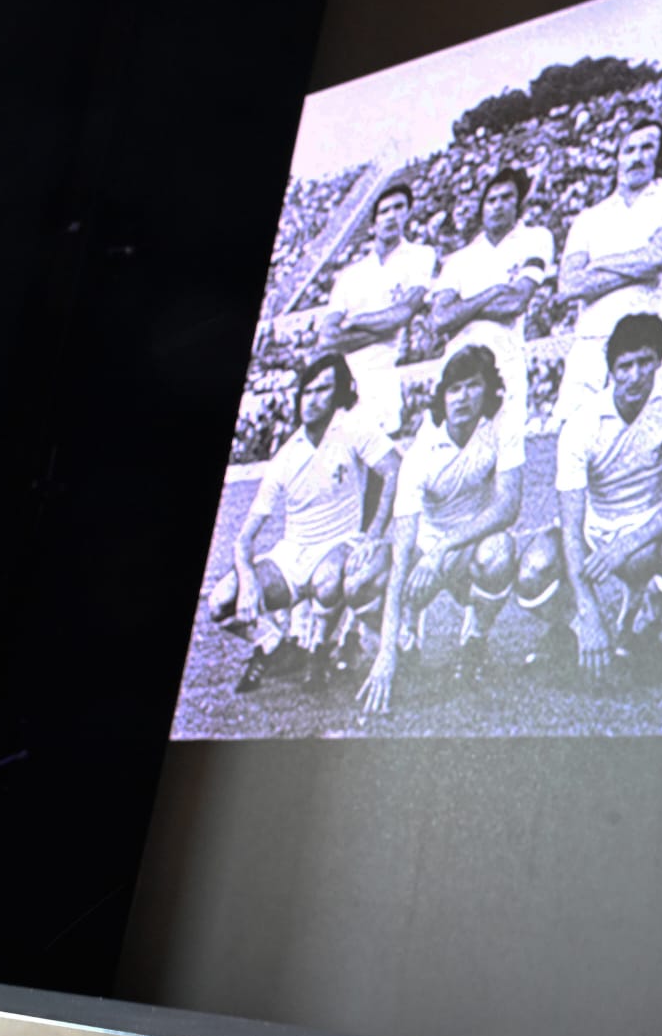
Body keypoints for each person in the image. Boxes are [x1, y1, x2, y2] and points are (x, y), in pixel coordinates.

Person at [516, 314, 662, 678]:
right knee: (532, 570)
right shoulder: (582, 425)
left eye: (645, 362)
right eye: (625, 366)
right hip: (594, 532)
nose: (635, 376)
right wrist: (588, 613)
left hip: (648, 531)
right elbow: (571, 526)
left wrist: (627, 544)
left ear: (660, 360)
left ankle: (637, 629)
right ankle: (572, 631)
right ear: (611, 369)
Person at [208, 353, 400, 693]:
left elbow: (394, 469)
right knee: (220, 601)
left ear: (339, 393)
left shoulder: (353, 430)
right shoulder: (286, 455)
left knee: (328, 580)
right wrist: (248, 581)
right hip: (292, 555)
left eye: (323, 390)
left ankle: (318, 650)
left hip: (339, 545)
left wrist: (372, 536)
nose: (312, 400)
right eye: (307, 391)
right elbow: (244, 539)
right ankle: (274, 645)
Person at [357, 345, 524, 713]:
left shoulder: (501, 428)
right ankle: (405, 637)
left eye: (473, 386)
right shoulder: (421, 454)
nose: (463, 398)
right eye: (454, 389)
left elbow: (507, 507)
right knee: (362, 581)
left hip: (471, 545)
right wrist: (385, 653)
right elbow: (402, 551)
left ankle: (473, 640)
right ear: (442, 397)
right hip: (424, 553)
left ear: (488, 389)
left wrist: (446, 546)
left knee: (500, 552)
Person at [554, 119, 662, 425]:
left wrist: (598, 265)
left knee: (652, 431)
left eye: (647, 148)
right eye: (629, 149)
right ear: (618, 156)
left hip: (646, 337)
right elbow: (569, 285)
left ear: (659, 155)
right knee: (573, 431)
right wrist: (638, 264)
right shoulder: (588, 218)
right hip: (591, 340)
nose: (637, 157)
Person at [430, 167, 554, 432]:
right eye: (491, 200)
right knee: (449, 449)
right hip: (458, 363)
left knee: (504, 447)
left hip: (504, 361)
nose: (498, 206)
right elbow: (440, 319)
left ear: (518, 203)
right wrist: (491, 293)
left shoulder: (535, 239)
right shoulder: (460, 259)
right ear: (482, 207)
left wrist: (462, 310)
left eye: (507, 198)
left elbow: (515, 303)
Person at [318, 182, 438, 435]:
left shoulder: (420, 255)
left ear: (408, 213)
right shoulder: (350, 275)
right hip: (346, 381)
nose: (392, 216)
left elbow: (404, 313)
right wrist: (385, 327)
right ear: (372, 224)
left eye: (399, 208)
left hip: (384, 379)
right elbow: (327, 338)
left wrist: (355, 322)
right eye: (384, 211)